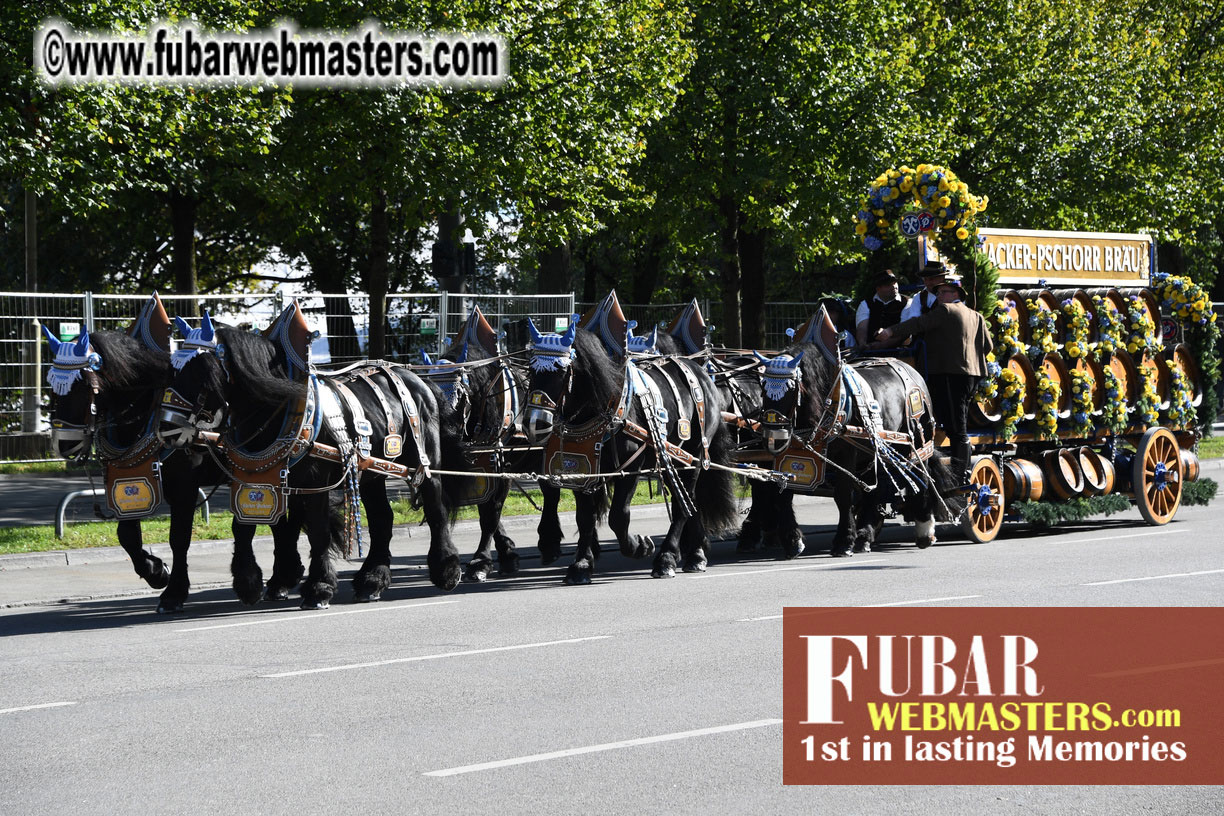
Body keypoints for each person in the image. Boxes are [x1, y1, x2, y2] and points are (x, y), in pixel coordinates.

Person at [875, 276, 993, 483]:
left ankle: (959, 475)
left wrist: (890, 331)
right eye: (937, 293)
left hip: (949, 373)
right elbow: (988, 347)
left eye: (943, 292)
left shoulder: (946, 310)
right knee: (958, 420)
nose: (938, 296)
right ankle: (958, 470)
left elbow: (919, 323)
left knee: (956, 427)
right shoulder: (977, 316)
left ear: (956, 294)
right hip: (971, 375)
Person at [855, 269, 908, 349]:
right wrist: (863, 343)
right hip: (871, 354)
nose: (894, 286)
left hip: (901, 353)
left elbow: (905, 331)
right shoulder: (865, 304)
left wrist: (882, 345)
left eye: (894, 282)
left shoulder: (907, 303)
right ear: (878, 288)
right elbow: (862, 328)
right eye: (888, 285)